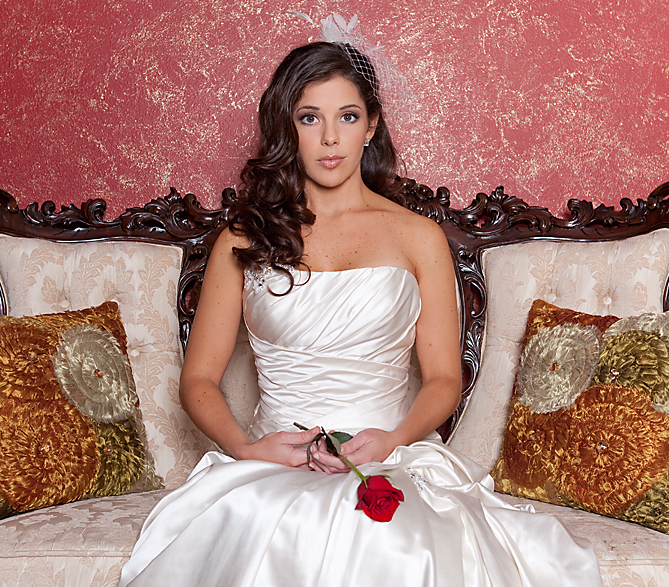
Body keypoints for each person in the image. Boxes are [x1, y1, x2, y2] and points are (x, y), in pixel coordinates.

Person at [118, 41, 601, 587]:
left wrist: (394, 440)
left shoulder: (418, 237)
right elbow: (199, 379)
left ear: (370, 126)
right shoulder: (243, 238)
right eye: (309, 118)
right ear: (287, 128)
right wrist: (248, 450)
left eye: (347, 116)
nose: (330, 138)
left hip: (390, 456)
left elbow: (444, 379)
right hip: (274, 462)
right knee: (275, 527)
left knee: (394, 539)